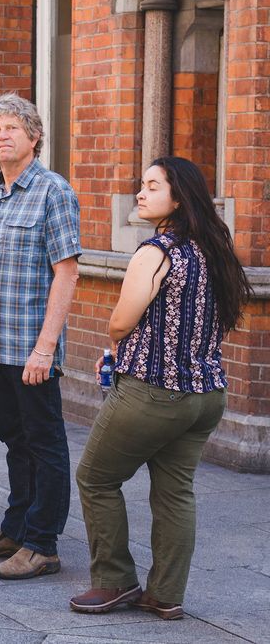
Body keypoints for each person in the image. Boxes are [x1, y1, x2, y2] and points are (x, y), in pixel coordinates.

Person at [70, 157, 251, 620]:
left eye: (152, 185)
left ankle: (114, 582)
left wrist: (118, 345)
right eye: (141, 185)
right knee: (175, 493)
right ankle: (166, 594)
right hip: (206, 396)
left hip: (154, 391)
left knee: (96, 478)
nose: (140, 193)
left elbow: (120, 321)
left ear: (179, 196)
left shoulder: (157, 252)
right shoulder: (215, 251)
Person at [0, 93, 81, 580]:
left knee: (44, 443)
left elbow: (67, 273)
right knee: (14, 440)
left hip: (30, 351)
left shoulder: (54, 192)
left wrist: (46, 348)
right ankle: (16, 527)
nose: (2, 135)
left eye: (13, 127)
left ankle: (42, 544)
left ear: (34, 136)